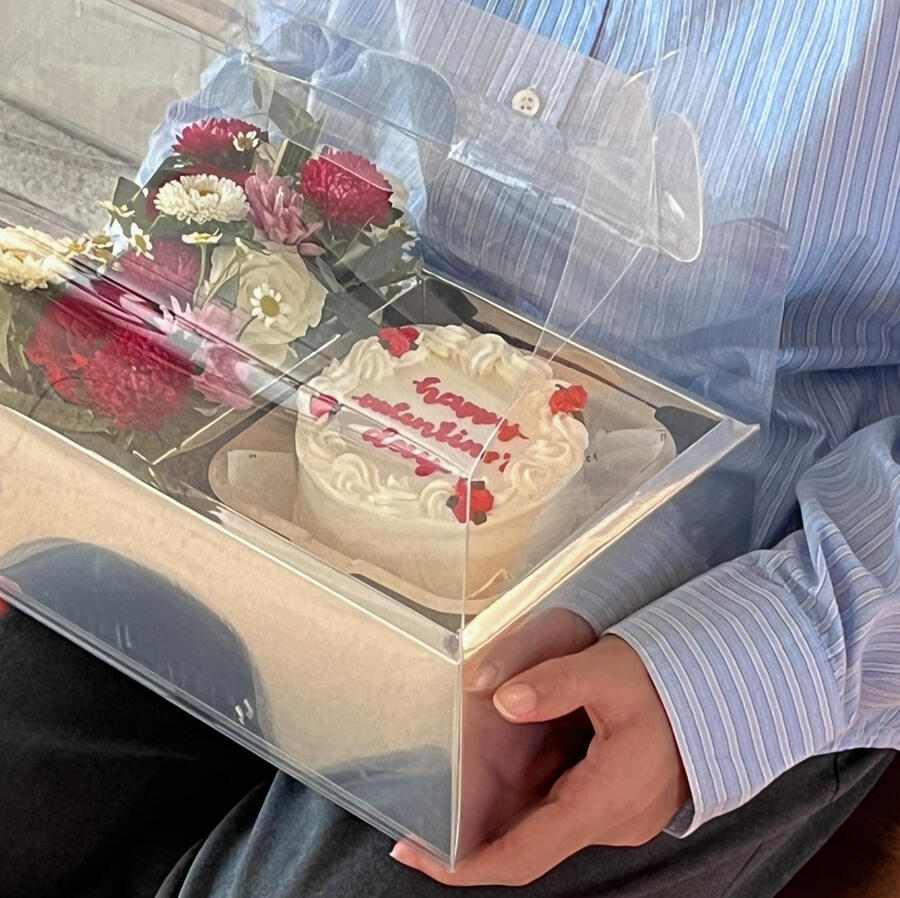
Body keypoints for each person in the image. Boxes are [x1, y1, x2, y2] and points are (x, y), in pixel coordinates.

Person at [2, 0, 899, 895]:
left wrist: (757, 659)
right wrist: (122, 340)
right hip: (314, 395)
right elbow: (285, 65)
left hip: (749, 552)